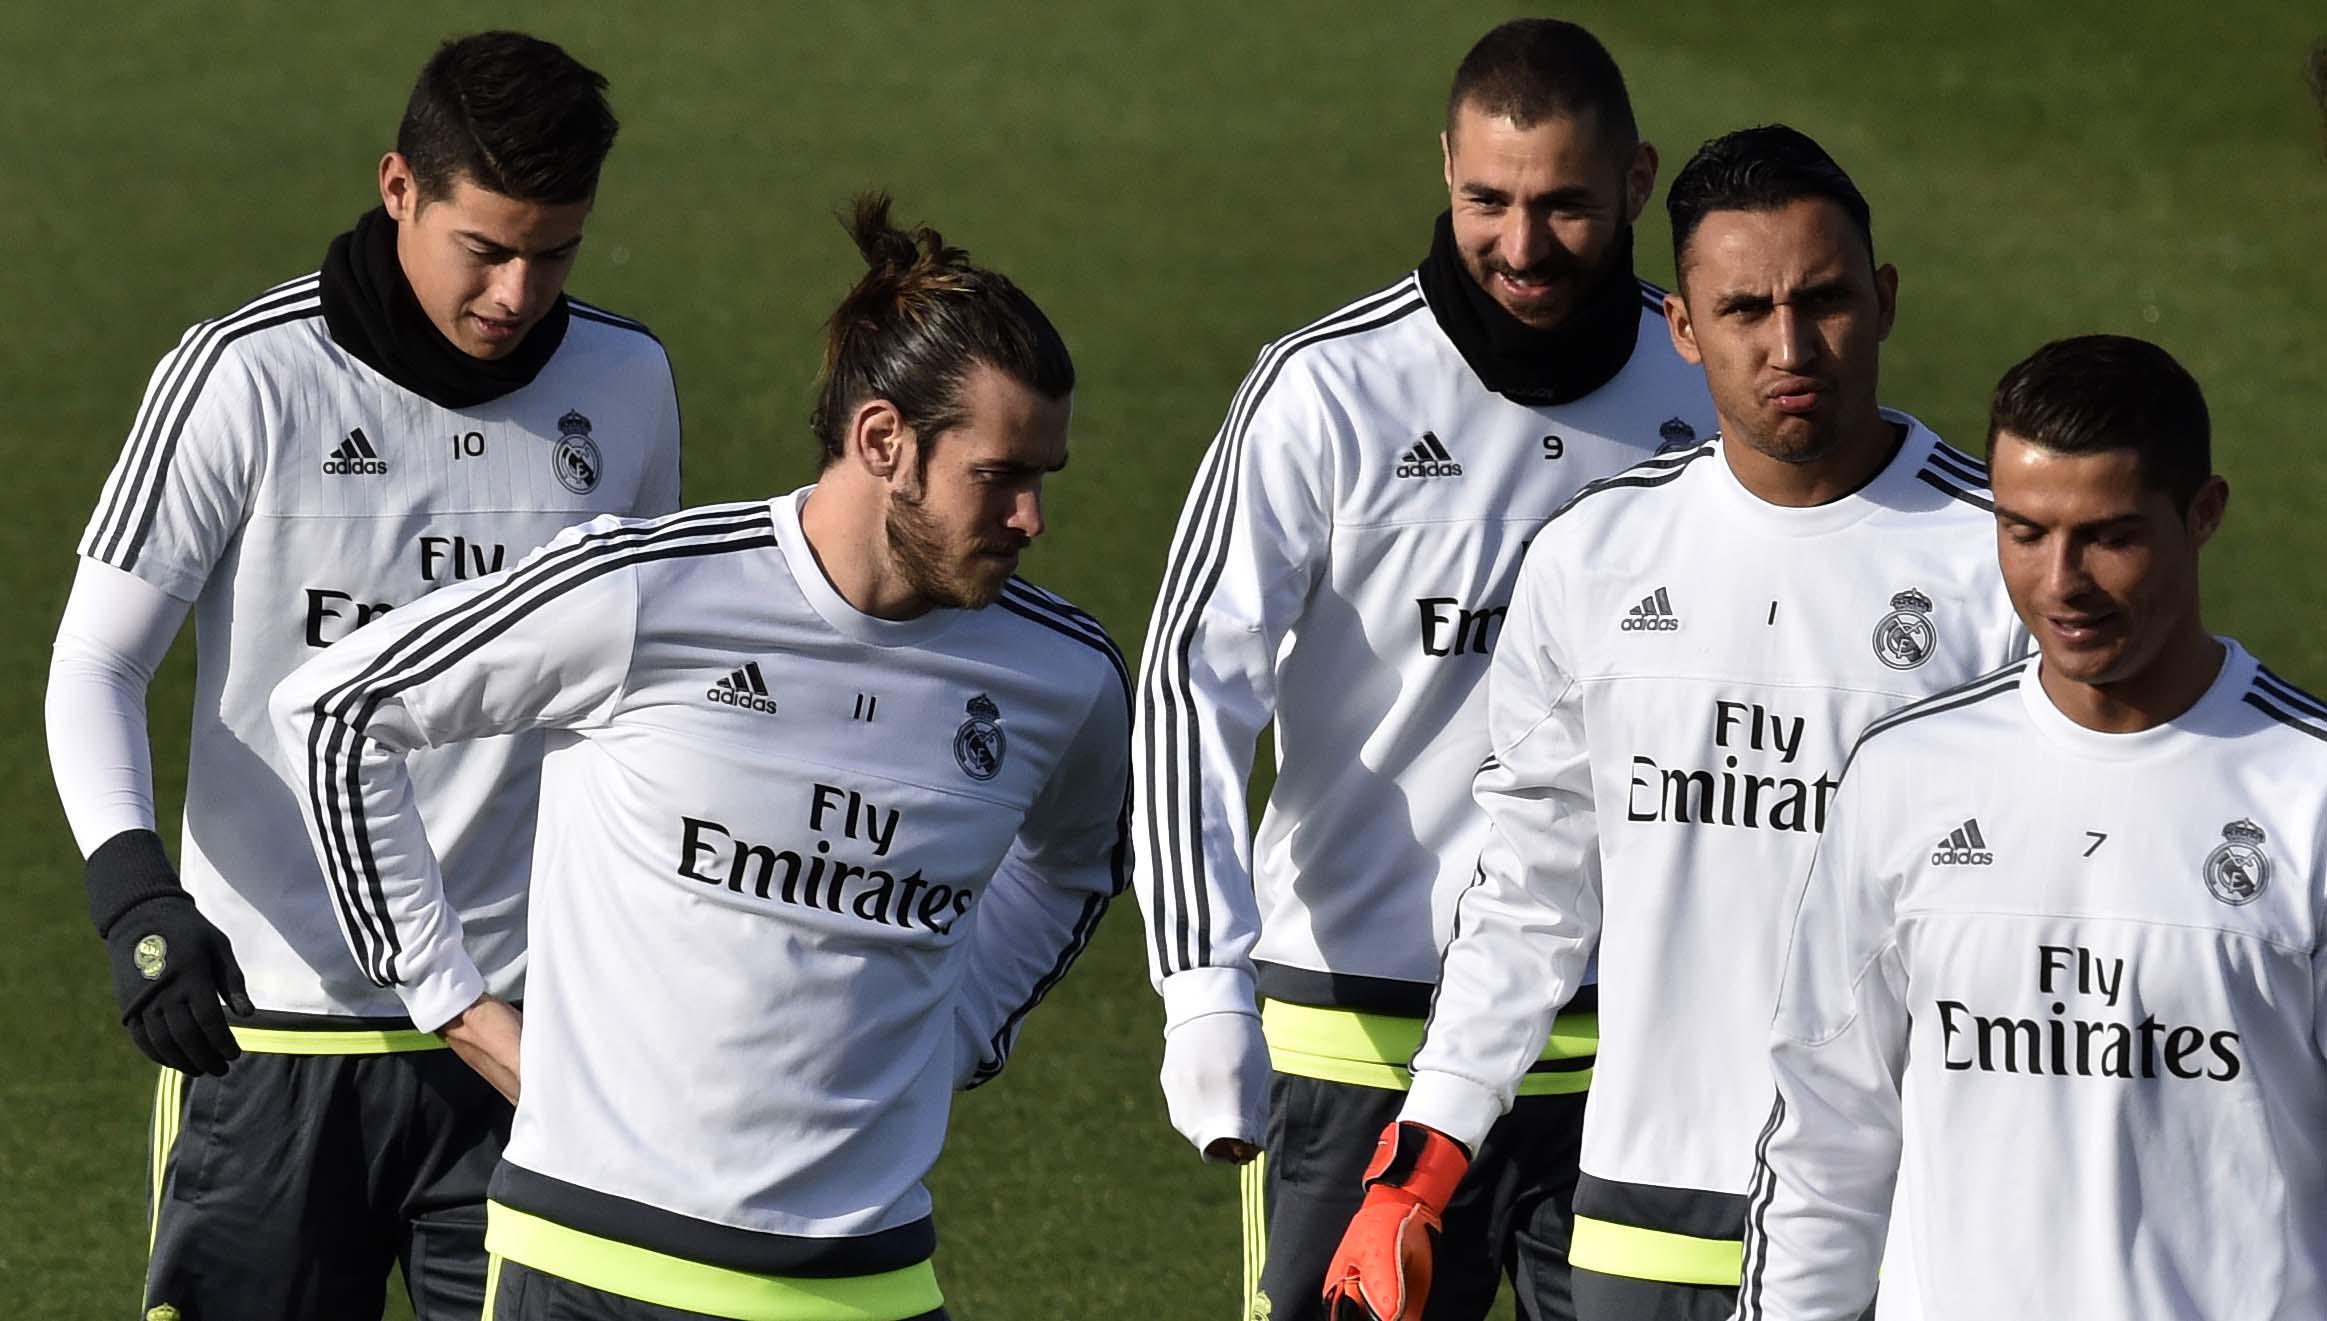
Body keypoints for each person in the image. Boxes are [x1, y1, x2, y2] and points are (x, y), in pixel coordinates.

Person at [271, 194, 1127, 1321]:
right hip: (591, 1270)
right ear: (883, 441)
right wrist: (453, 1001)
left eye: (1042, 480)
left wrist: (961, 1027)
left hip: (865, 1285)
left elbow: (1078, 858)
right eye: (1000, 475)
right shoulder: (646, 590)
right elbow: (336, 707)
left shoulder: (1062, 676)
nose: (1030, 519)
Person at [1327, 125, 2031, 1321]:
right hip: (1640, 1222)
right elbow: (1531, 894)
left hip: (1899, 1237)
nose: (1790, 345)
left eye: (1823, 300)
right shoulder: (1595, 558)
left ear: (1886, 299)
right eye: (1744, 309)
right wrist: (1422, 1155)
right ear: (1683, 329)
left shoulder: (2000, 562)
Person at [42, 30, 679, 1321]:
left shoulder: (626, 382)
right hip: (272, 1029)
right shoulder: (243, 376)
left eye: (554, 251)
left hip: (520, 1035)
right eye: (485, 249)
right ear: (400, 189)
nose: (517, 291)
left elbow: (637, 687)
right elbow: (96, 660)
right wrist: (132, 899)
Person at [1131, 18, 1715, 1321]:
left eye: (1562, 204)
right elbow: (1188, 688)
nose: (1519, 246)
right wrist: (1200, 990)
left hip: (1630, 1049)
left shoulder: (1709, 395)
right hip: (1358, 1035)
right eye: (1485, 200)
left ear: (1634, 183)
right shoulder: (1325, 392)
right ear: (1441, 168)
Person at [1737, 335, 2327, 1319]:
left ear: (2202, 514)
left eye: (2107, 535)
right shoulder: (1905, 776)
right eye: (2021, 531)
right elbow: (1825, 1136)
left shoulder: (2304, 788)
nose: (2058, 582)